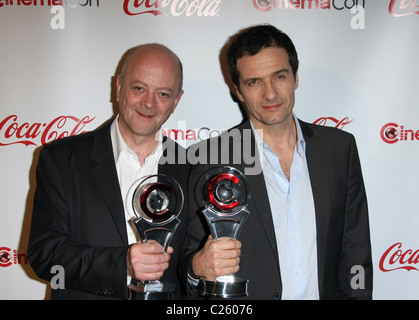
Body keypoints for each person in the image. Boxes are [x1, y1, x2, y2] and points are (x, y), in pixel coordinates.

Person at [179, 24, 373, 300]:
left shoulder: (339, 149)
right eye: (254, 82)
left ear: (295, 77)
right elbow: (188, 260)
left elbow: (356, 252)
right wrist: (197, 267)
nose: (270, 94)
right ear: (238, 91)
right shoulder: (210, 158)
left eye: (279, 76)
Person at [27, 43, 190, 299]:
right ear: (118, 87)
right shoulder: (61, 160)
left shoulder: (191, 168)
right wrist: (121, 263)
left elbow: (188, 263)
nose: (149, 103)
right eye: (139, 88)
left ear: (176, 101)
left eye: (163, 94)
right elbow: (44, 254)